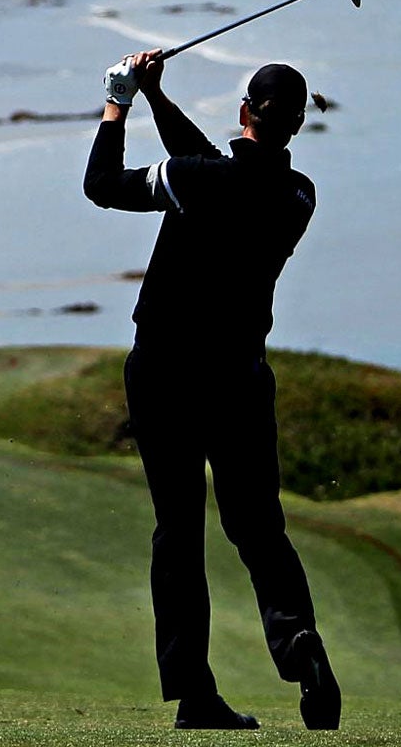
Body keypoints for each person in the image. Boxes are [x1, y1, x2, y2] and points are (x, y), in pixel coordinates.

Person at [83, 50, 340, 732]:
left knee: (179, 533)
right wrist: (160, 101)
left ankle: (195, 695)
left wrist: (119, 101)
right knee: (258, 526)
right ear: (294, 127)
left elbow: (103, 184)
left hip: (166, 373)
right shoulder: (298, 196)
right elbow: (215, 170)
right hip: (240, 377)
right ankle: (295, 642)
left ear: (245, 114)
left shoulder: (201, 182)